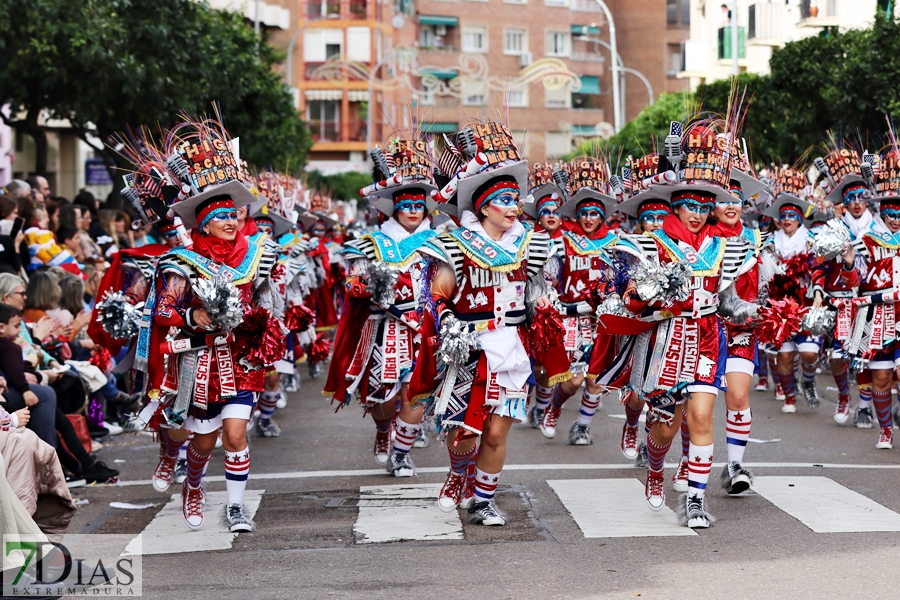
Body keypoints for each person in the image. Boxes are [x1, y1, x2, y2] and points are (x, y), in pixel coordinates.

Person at [410, 122, 567, 526]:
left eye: (515, 199)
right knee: (464, 429)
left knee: (497, 432)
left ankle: (483, 499)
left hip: (512, 348)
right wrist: (450, 326)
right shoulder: (455, 244)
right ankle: (457, 473)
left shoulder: (532, 244)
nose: (513, 206)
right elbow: (437, 296)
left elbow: (535, 291)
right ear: (482, 208)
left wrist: (545, 309)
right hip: (470, 346)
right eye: (502, 201)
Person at [138, 117, 279, 533]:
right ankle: (194, 485)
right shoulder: (183, 262)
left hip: (241, 359)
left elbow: (264, 300)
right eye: (221, 218)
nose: (232, 223)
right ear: (203, 225)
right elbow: (162, 310)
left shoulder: (255, 254)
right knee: (203, 441)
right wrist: (192, 315)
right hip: (200, 363)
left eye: (234, 215)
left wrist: (262, 323)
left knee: (235, 435)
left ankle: (236, 507)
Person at [326, 139, 437, 475]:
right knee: (383, 402)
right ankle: (382, 429)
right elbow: (353, 281)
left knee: (415, 395)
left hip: (424, 330)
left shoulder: (440, 242)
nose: (414, 211)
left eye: (420, 205)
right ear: (394, 209)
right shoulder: (371, 244)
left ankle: (401, 454)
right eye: (407, 205)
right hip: (385, 331)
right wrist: (367, 286)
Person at [540, 157, 620, 445]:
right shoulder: (562, 241)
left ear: (602, 216)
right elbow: (548, 277)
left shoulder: (613, 242)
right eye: (584, 212)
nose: (589, 218)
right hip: (571, 317)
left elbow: (619, 280)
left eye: (594, 213)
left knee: (596, 380)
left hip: (600, 320)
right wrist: (549, 301)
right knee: (573, 380)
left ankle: (583, 426)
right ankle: (555, 408)